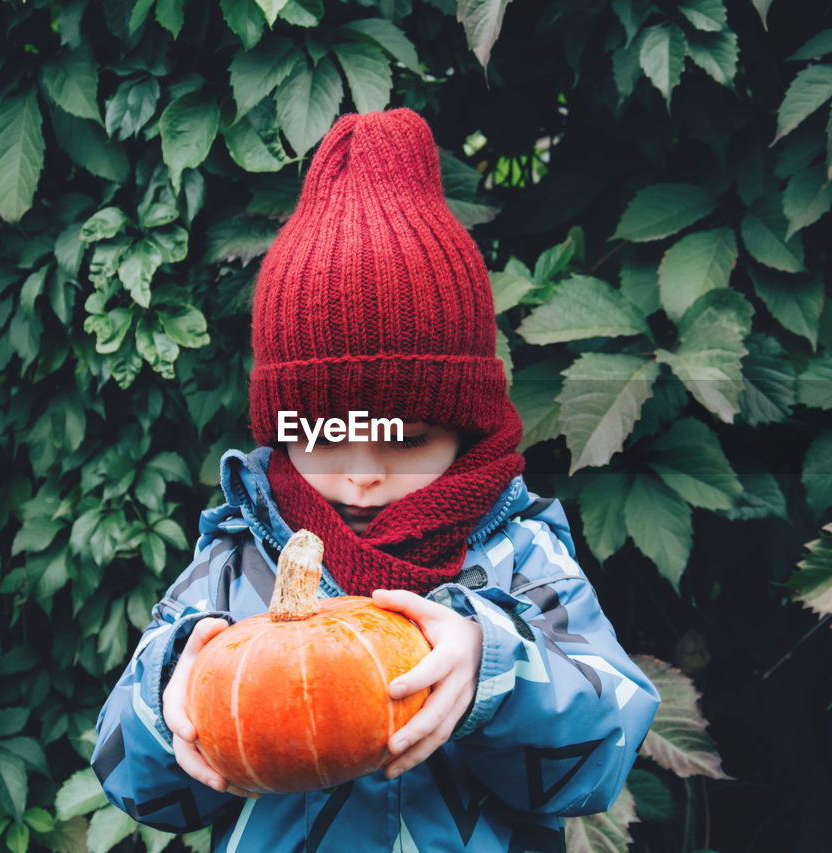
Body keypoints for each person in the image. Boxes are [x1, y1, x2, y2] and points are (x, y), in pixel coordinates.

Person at [90, 108, 660, 851]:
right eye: (322, 437)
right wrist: (171, 694)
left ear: (465, 423)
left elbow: (605, 749)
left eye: (407, 437)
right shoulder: (236, 565)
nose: (360, 470)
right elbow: (132, 777)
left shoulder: (518, 555)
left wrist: (497, 668)